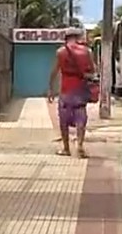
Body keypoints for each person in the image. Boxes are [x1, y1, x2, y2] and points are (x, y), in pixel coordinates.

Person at [47, 28, 96, 158]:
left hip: (66, 90)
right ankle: (79, 145)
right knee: (81, 117)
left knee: (63, 120)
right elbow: (93, 71)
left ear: (66, 37)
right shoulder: (87, 51)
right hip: (80, 88)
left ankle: (66, 148)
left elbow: (54, 71)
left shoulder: (61, 52)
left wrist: (51, 88)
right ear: (78, 37)